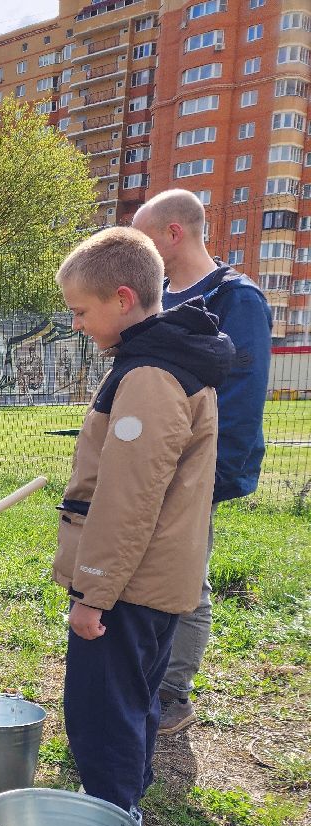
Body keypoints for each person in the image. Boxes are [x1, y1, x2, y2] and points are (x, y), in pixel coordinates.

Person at [54, 227, 230, 826]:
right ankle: (121, 805)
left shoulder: (151, 377)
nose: (75, 324)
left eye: (80, 311)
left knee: (101, 709)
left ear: (123, 298)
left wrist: (93, 593)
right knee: (130, 700)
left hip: (129, 583)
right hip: (153, 577)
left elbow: (127, 500)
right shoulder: (161, 360)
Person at [132, 189, 273, 736]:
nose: (141, 248)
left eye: (147, 236)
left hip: (198, 464)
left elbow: (242, 393)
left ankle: (173, 693)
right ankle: (145, 672)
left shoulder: (235, 299)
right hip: (152, 459)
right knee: (143, 565)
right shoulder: (161, 294)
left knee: (185, 573)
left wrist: (208, 474)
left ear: (174, 233)